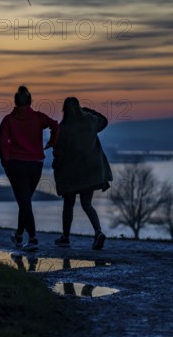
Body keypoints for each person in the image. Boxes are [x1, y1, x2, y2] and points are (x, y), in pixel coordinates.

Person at [0, 86, 59, 251]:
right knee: (25, 201)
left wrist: (5, 162)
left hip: (16, 164)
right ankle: (19, 235)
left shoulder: (8, 120)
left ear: (15, 102)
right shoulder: (38, 118)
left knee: (24, 201)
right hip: (36, 164)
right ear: (31, 101)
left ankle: (32, 239)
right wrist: (51, 143)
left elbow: (2, 143)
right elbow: (55, 125)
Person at [52, 97, 113, 250]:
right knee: (87, 203)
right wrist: (87, 111)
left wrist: (56, 166)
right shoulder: (90, 121)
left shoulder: (64, 128)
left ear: (64, 110)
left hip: (71, 172)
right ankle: (98, 232)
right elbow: (104, 121)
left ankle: (65, 237)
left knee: (69, 204)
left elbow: (59, 152)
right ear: (79, 107)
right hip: (91, 171)